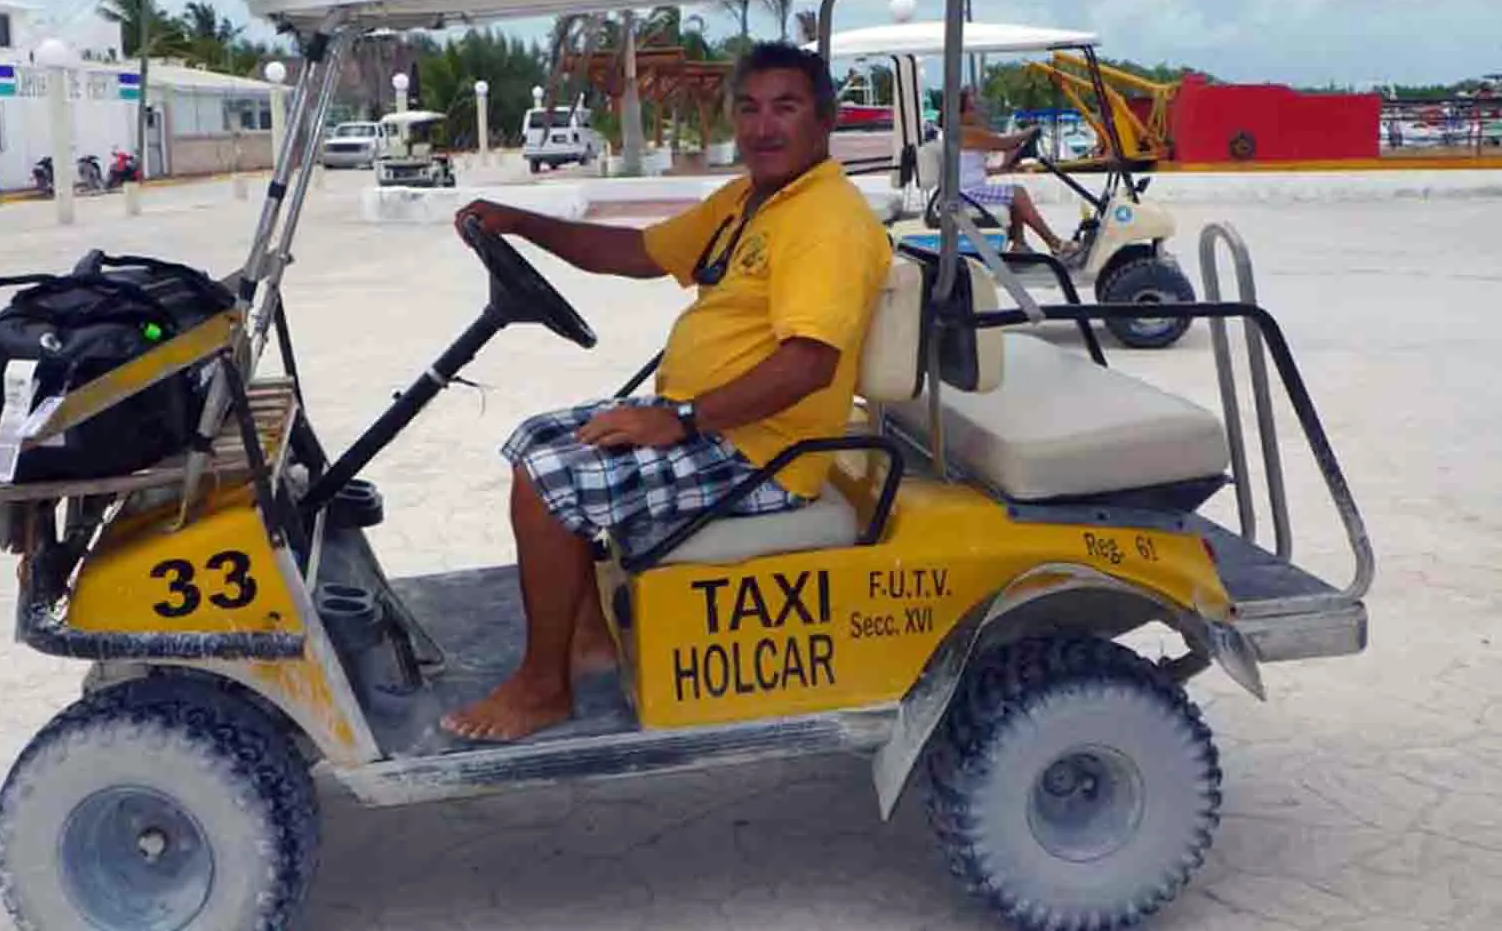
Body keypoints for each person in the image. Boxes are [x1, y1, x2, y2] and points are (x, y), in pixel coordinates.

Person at [441, 42, 893, 742]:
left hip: (763, 451)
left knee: (549, 478)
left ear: (825, 121)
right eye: (748, 108)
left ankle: (543, 687)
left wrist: (680, 422)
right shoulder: (753, 199)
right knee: (536, 437)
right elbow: (639, 253)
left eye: (786, 107)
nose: (762, 126)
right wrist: (522, 222)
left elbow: (807, 365)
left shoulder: (827, 222)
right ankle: (587, 635)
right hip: (717, 425)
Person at [955, 91, 1074, 257]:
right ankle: (1055, 243)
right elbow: (1004, 143)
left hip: (966, 190)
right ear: (959, 113)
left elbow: (969, 168)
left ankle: (1020, 244)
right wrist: (1030, 131)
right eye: (972, 108)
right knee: (1018, 193)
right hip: (965, 195)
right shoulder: (963, 132)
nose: (977, 112)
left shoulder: (961, 132)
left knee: (1012, 195)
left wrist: (1004, 168)